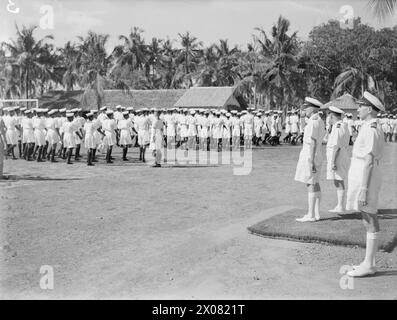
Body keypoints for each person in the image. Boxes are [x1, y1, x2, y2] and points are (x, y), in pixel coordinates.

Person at [345, 91, 385, 277]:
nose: (358, 109)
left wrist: (363, 189)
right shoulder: (369, 126)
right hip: (363, 174)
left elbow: (368, 161)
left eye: (361, 106)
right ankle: (369, 262)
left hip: (366, 176)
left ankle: (369, 265)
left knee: (369, 217)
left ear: (369, 109)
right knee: (367, 216)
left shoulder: (371, 128)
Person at [294, 97, 326, 222]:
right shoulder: (318, 120)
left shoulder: (313, 122)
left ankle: (311, 214)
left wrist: (311, 160)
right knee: (315, 182)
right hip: (316, 152)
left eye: (306, 108)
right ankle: (316, 213)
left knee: (310, 182)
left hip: (310, 153)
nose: (304, 110)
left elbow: (312, 142)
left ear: (312, 108)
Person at [326, 106, 350, 213]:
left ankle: (341, 206)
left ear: (331, 116)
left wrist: (333, 162)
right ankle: (339, 205)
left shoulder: (338, 127)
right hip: (339, 155)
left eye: (329, 116)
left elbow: (336, 146)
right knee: (337, 180)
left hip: (338, 157)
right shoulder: (340, 125)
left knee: (339, 180)